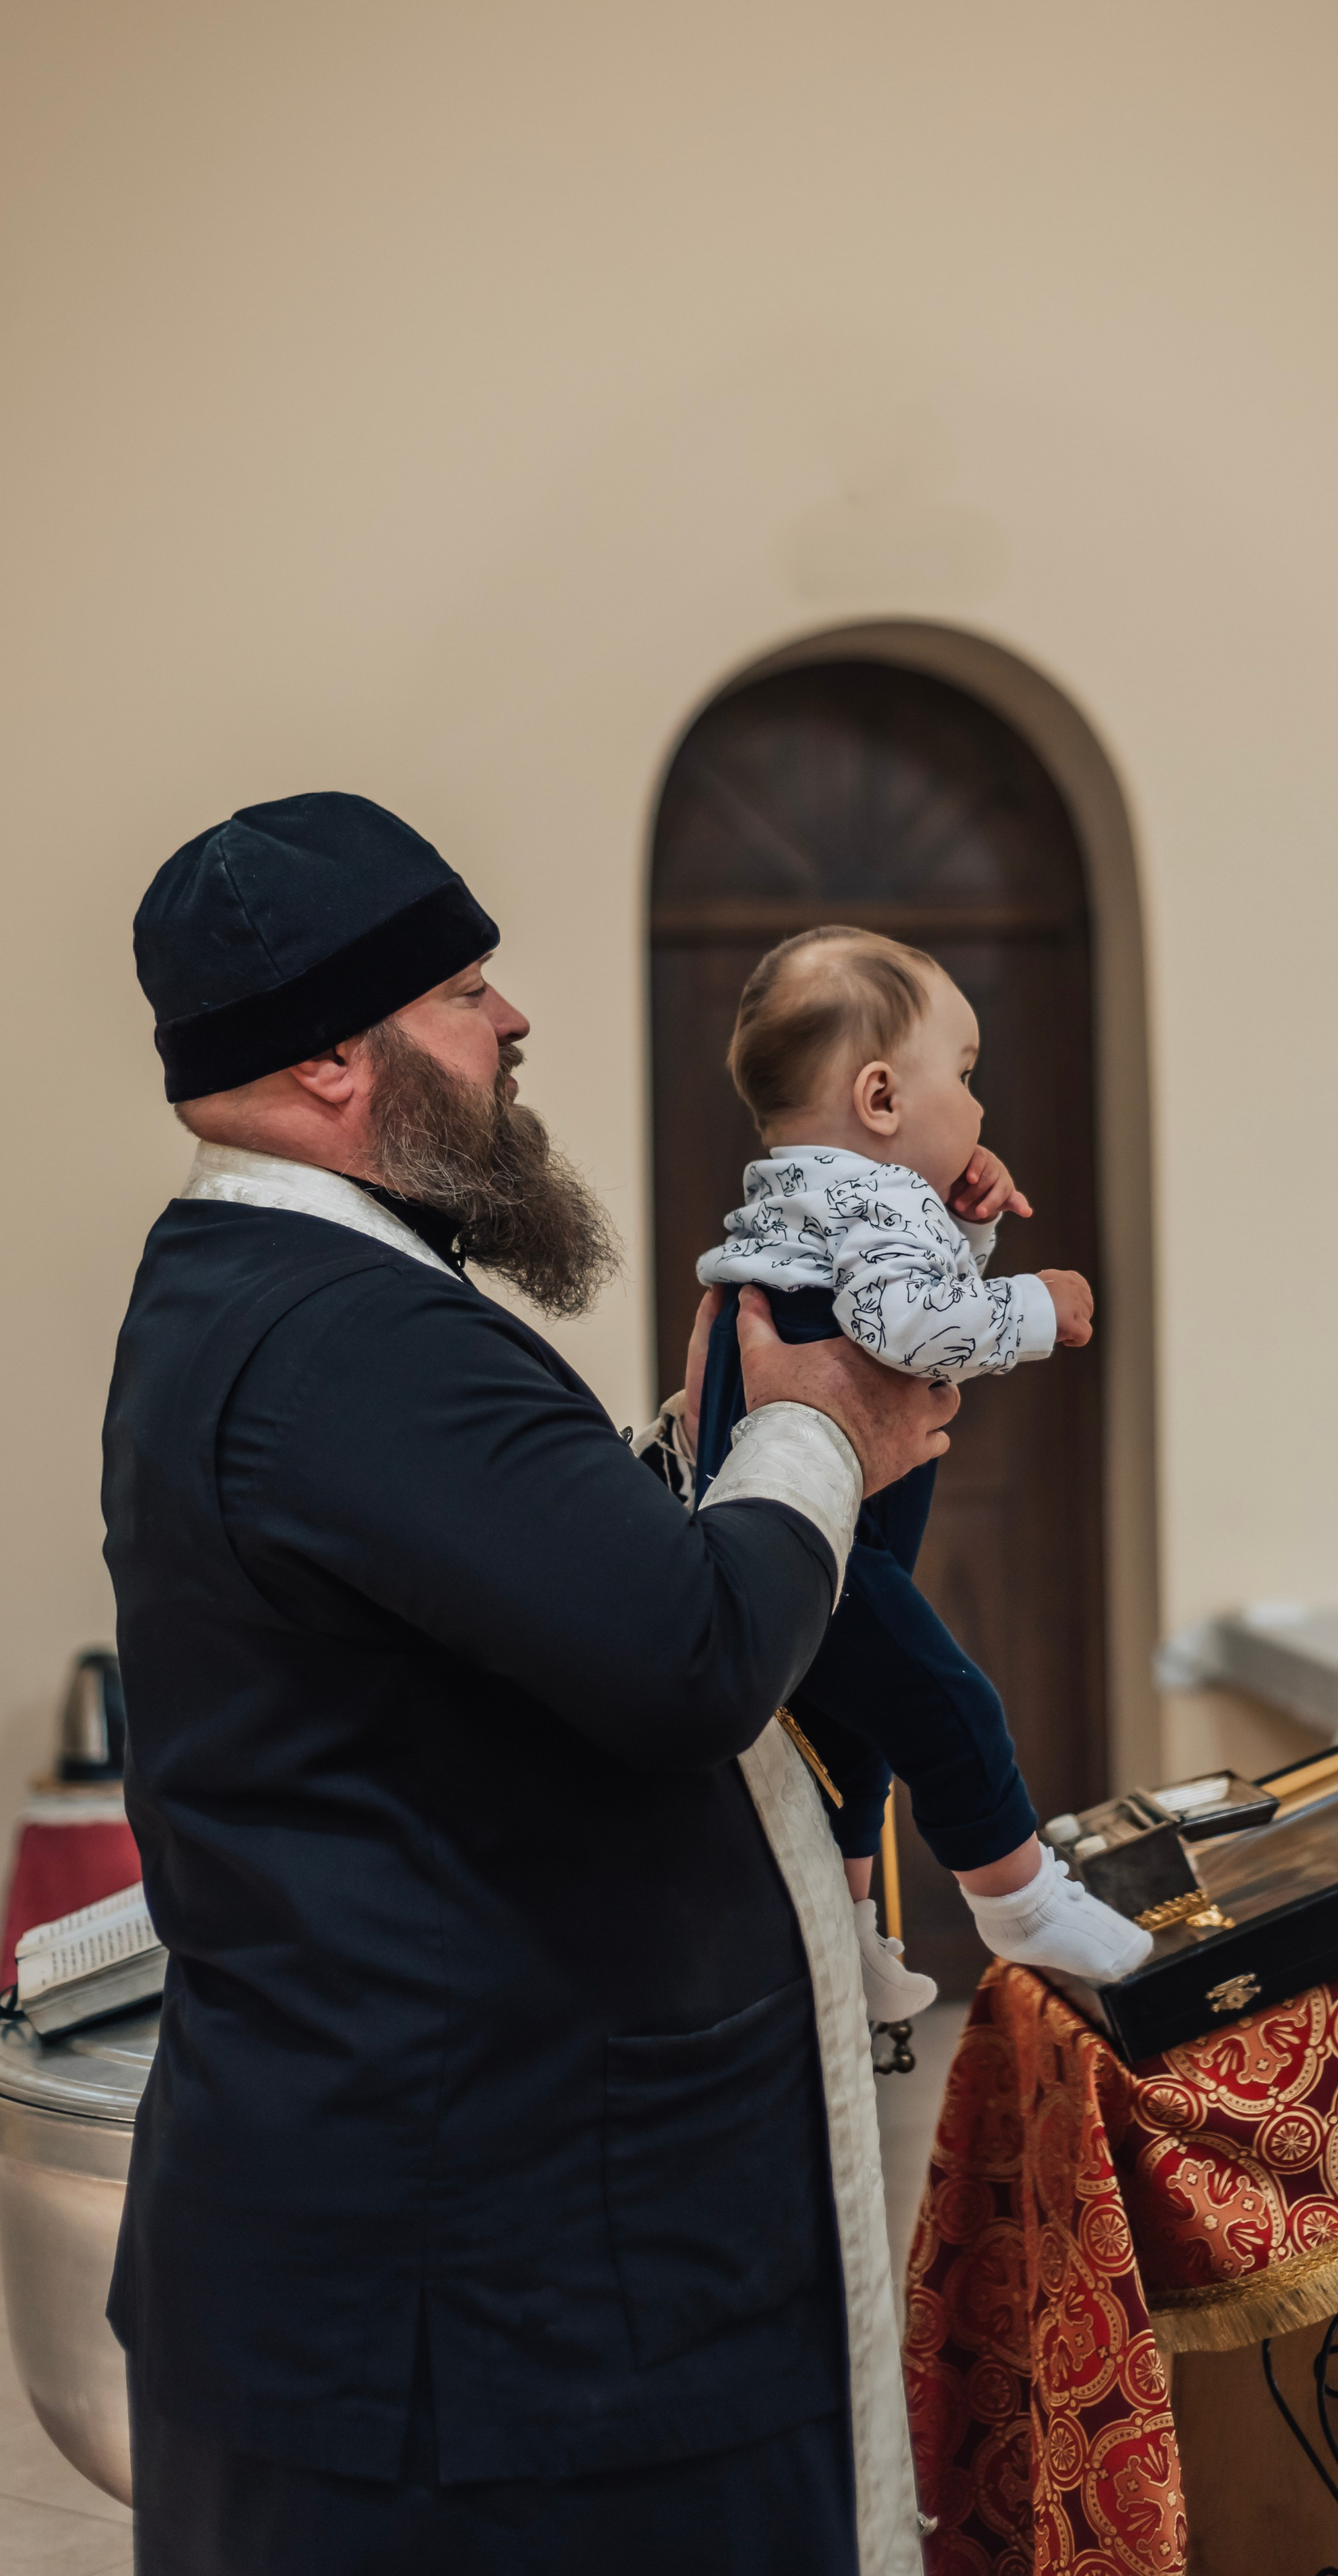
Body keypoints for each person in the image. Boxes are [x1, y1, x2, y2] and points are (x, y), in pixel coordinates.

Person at [102, 792, 949, 2576]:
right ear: (334, 1055)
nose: (511, 1022)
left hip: (463, 2283)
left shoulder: (288, 1293)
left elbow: (532, 1602)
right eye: (463, 990)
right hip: (488, 2330)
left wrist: (708, 1454)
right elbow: (691, 1654)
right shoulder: (345, 1338)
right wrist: (818, 1435)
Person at [690, 926, 1153, 2016]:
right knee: (948, 1703)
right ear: (883, 1097)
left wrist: (961, 1226)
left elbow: (903, 1289)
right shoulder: (871, 1200)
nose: (980, 1108)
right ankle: (1018, 1896)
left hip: (801, 1522)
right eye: (968, 1074)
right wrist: (1037, 1304)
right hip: (819, 1528)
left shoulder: (818, 1189)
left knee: (850, 1733)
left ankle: (846, 1931)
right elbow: (911, 1327)